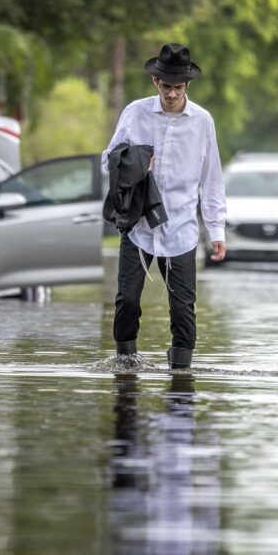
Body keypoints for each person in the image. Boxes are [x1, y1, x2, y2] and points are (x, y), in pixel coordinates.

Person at [103, 43, 227, 369]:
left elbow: (211, 178)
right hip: (139, 223)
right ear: (155, 82)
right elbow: (108, 160)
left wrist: (216, 229)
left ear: (187, 86)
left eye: (178, 87)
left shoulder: (202, 122)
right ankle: (125, 366)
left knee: (184, 308)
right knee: (127, 300)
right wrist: (134, 164)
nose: (172, 94)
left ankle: (181, 374)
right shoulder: (135, 113)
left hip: (181, 226)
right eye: (166, 86)